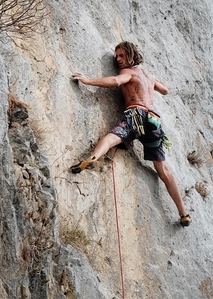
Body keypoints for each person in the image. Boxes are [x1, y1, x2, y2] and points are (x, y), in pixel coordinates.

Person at [70, 41, 191, 227]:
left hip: (136, 116)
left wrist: (88, 81)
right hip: (154, 122)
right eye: (116, 56)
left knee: (110, 138)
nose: (118, 59)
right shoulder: (148, 76)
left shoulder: (128, 72)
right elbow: (165, 90)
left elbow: (115, 82)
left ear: (130, 55)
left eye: (121, 56)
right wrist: (151, 80)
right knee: (163, 170)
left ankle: (93, 158)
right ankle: (183, 214)